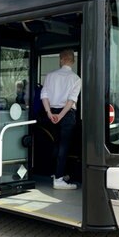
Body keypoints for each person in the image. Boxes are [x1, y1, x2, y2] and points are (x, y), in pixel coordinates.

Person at [41, 49, 81, 190]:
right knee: (64, 147)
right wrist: (61, 115)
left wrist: (50, 113)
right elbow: (71, 101)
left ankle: (56, 173)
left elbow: (44, 95)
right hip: (66, 114)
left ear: (61, 60)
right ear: (73, 61)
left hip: (52, 112)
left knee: (56, 144)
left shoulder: (50, 76)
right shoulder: (76, 79)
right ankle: (58, 179)